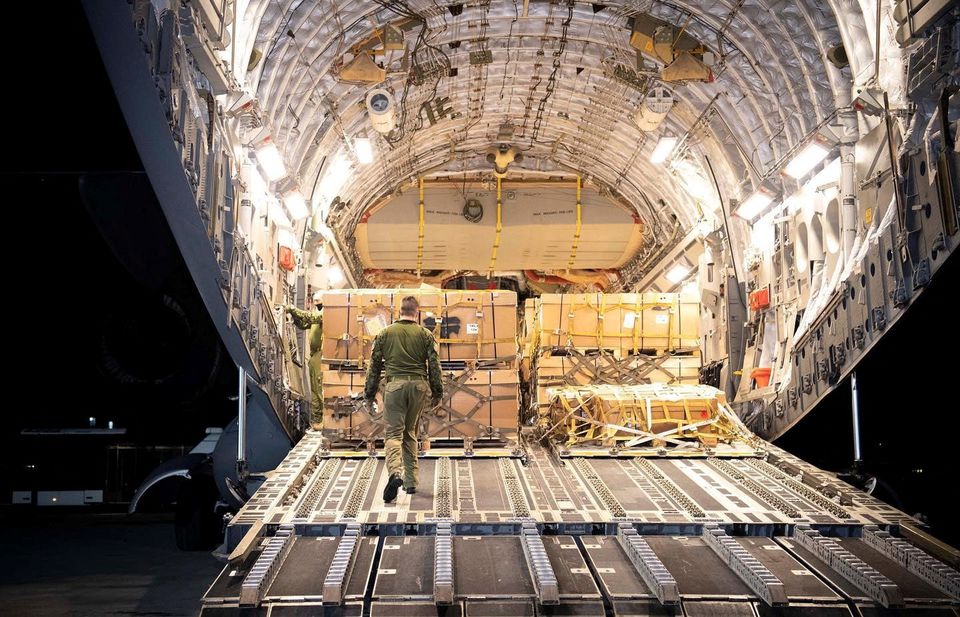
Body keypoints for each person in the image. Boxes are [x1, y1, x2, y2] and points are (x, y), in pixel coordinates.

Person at [364, 296, 443, 502]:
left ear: (399, 311)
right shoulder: (426, 335)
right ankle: (411, 482)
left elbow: (374, 367)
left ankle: (395, 473)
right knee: (410, 433)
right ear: (416, 313)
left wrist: (370, 392)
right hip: (418, 387)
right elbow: (434, 366)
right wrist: (437, 392)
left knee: (393, 435)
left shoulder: (384, 334)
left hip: (395, 387)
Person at [285, 292, 324, 431]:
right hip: (314, 356)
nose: (315, 304)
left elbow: (312, 317)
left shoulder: (325, 313)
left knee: (319, 388)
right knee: (314, 388)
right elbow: (303, 324)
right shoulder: (316, 312)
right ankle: (316, 421)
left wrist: (293, 309)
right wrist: (293, 317)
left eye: (318, 301)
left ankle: (324, 419)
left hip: (321, 354)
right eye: (314, 301)